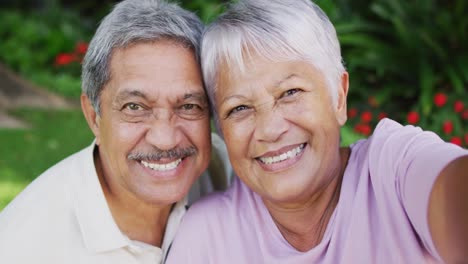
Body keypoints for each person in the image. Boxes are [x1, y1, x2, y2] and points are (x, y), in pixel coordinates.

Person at [166, 0, 468, 263]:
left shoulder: (394, 171)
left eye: (290, 92)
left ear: (338, 96)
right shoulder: (208, 236)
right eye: (239, 109)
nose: (270, 130)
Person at [0, 0, 232, 263]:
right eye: (135, 107)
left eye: (189, 106)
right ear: (94, 118)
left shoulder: (234, 175)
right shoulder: (24, 247)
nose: (165, 139)